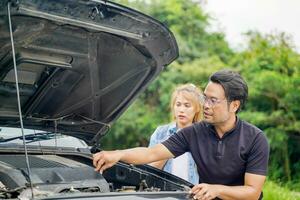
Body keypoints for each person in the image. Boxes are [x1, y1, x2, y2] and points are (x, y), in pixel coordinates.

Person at [93, 69, 269, 200]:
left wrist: (217, 189)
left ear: (235, 105)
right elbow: (151, 153)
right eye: (205, 98)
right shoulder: (194, 132)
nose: (206, 105)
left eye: (213, 100)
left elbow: (252, 192)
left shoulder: (255, 139)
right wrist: (118, 154)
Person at [148, 83, 203, 184]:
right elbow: (148, 171)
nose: (181, 110)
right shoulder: (161, 133)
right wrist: (169, 147)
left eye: (187, 105)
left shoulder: (203, 135)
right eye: (178, 104)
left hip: (191, 195)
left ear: (197, 109)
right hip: (164, 194)